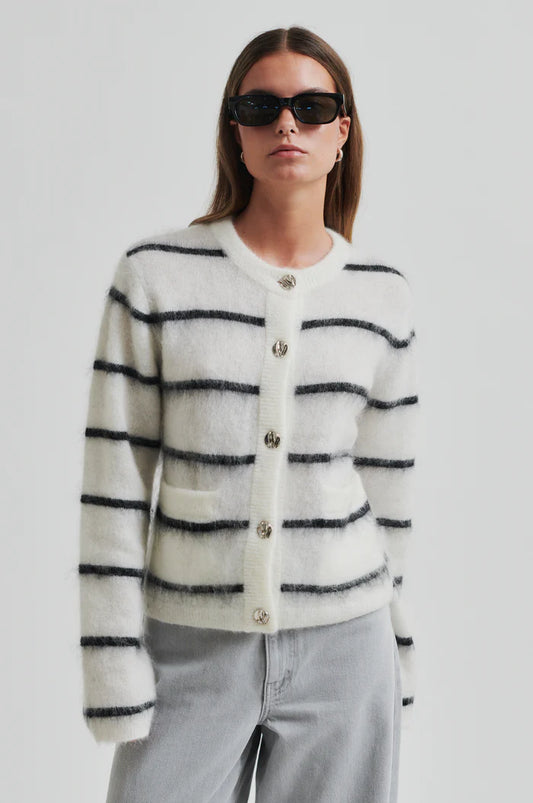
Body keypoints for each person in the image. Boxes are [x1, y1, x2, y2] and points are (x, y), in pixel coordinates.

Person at [78, 24, 420, 803]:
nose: (286, 124)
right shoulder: (156, 276)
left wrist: (397, 649)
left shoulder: (381, 294)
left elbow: (389, 494)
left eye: (312, 106)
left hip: (347, 643)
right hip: (189, 643)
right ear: (234, 129)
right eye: (261, 107)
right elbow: (113, 483)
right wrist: (112, 664)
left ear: (342, 130)